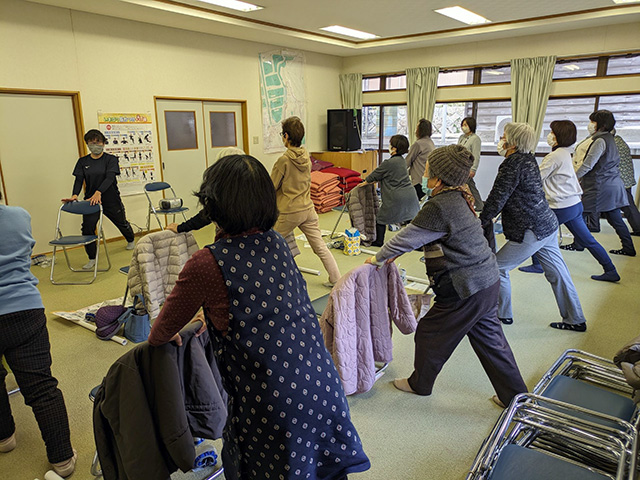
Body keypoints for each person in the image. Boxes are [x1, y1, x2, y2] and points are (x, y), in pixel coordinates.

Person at [148, 155, 371, 480]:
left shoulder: (206, 263)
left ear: (212, 206)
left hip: (271, 407)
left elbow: (160, 333)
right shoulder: (278, 244)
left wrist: (202, 315)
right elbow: (268, 308)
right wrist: (211, 310)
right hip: (323, 387)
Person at [366, 145, 527, 408]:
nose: (425, 172)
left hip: (465, 289)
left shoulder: (439, 205)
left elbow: (406, 237)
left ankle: (419, 384)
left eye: (428, 169)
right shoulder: (461, 196)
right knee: (492, 343)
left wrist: (377, 258)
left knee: (429, 333)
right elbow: (434, 236)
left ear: (438, 178)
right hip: (487, 281)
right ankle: (516, 396)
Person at [479, 122, 587, 332]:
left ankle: (502, 315)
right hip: (547, 224)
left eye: (503, 136)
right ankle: (575, 319)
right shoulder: (529, 159)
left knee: (498, 267)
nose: (501, 140)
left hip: (532, 229)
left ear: (512, 142)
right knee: (559, 273)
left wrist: (482, 220)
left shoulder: (512, 164)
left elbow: (497, 197)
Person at [0, 190, 77, 477]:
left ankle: (5, 438)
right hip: (24, 309)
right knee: (42, 388)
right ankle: (63, 460)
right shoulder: (19, 216)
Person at [518, 120, 619, 282]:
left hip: (560, 206)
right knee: (588, 240)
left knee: (536, 231)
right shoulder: (564, 152)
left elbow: (535, 179)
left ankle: (537, 264)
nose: (549, 135)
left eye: (552, 133)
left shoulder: (553, 157)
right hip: (574, 204)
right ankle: (610, 269)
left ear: (559, 136)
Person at [270, 116, 341, 286]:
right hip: (308, 209)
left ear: (286, 136)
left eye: (282, 134)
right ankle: (336, 279)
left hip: (289, 211)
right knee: (320, 247)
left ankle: (268, 282)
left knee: (268, 243)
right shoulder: (306, 156)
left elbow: (271, 187)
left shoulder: (284, 161)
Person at [561, 110, 636, 256]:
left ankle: (579, 244)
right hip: (612, 185)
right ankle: (628, 247)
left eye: (592, 122)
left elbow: (588, 164)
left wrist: (573, 178)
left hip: (601, 186)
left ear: (600, 124)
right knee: (615, 218)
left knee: (578, 214)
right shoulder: (610, 138)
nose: (590, 125)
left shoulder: (600, 141)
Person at [61, 129, 135, 270]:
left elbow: (110, 178)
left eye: (98, 142)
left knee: (121, 222)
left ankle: (130, 239)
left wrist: (99, 192)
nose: (95, 145)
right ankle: (92, 258)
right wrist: (75, 195)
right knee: (87, 228)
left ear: (103, 143)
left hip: (111, 198)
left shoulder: (111, 160)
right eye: (92, 143)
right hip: (91, 201)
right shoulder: (83, 162)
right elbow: (78, 180)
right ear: (87, 144)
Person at [167, 147, 245, 234]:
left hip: (231, 237)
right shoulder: (252, 185)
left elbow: (209, 214)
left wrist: (181, 227)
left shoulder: (222, 189)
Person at [363, 134, 420, 247]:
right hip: (410, 195)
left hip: (396, 197)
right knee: (409, 218)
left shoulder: (388, 163)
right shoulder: (402, 161)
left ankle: (378, 242)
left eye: (390, 144)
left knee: (381, 219)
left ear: (394, 148)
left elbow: (372, 177)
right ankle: (417, 244)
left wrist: (363, 182)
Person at [613, 129, 640, 236]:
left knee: (628, 205)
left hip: (621, 180)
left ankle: (638, 228)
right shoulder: (619, 140)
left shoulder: (612, 143)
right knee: (627, 205)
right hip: (625, 178)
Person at [457, 117, 484, 211]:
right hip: (459, 166)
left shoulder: (475, 139)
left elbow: (476, 155)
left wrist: (473, 169)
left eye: (465, 125)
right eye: (462, 125)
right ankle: (474, 205)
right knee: (467, 186)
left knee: (469, 186)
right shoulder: (461, 137)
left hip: (468, 167)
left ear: (471, 126)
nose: (463, 127)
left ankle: (479, 206)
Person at [405, 119, 435, 200]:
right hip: (427, 180)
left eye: (416, 127)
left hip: (418, 181)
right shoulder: (430, 142)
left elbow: (407, 162)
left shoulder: (418, 144)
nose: (415, 130)